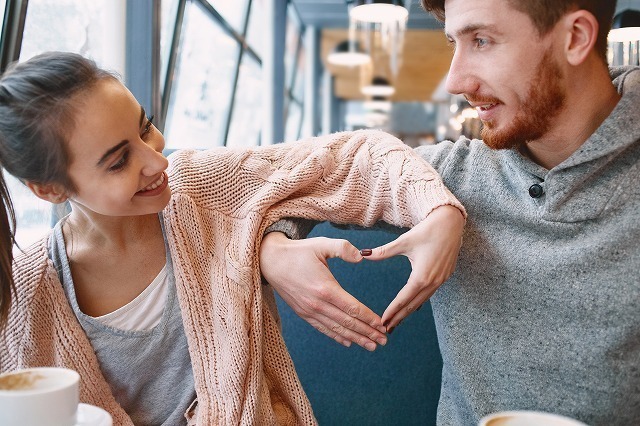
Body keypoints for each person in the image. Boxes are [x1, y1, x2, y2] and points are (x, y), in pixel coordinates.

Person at [0, 51, 466, 425]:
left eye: (145, 127)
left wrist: (438, 209)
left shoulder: (205, 188)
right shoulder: (25, 299)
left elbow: (354, 158)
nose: (157, 161)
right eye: (120, 161)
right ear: (50, 189)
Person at [259, 0, 640, 425]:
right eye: (454, 43)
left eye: (482, 40)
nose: (456, 80)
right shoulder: (440, 179)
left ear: (576, 38)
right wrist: (272, 248)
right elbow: (259, 185)